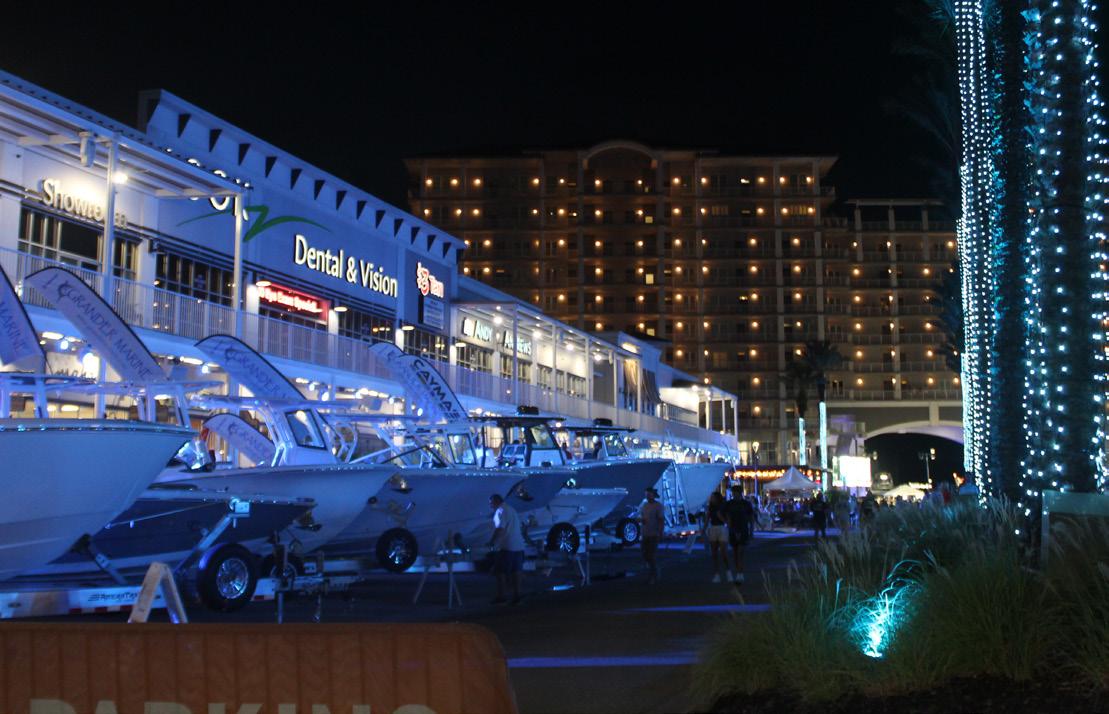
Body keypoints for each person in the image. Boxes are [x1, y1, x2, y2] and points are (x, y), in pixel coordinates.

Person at [488, 494, 525, 605]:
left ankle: (502, 596)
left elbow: (500, 528)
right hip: (519, 545)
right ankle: (517, 595)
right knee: (516, 571)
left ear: (495, 501)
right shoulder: (511, 509)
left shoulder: (500, 511)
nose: (490, 505)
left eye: (490, 503)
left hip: (506, 546)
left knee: (500, 572)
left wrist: (492, 541)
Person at [724, 486, 754, 584]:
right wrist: (728, 525)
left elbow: (751, 518)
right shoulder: (729, 504)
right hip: (733, 530)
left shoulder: (746, 504)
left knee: (740, 552)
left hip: (743, 529)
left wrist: (751, 531)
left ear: (740, 493)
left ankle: (740, 573)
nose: (734, 494)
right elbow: (725, 515)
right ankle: (738, 572)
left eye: (735, 492)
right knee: (735, 552)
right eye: (733, 492)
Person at [639, 487, 665, 584]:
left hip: (654, 533)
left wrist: (661, 532)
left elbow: (661, 520)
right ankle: (654, 571)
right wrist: (641, 521)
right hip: (645, 533)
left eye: (649, 495)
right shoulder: (644, 505)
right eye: (646, 495)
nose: (647, 496)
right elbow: (642, 517)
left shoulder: (658, 506)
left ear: (653, 495)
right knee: (645, 554)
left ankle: (653, 576)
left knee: (651, 555)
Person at [704, 491, 730, 582]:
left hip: (721, 527)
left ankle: (728, 572)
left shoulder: (723, 507)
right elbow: (707, 518)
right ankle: (717, 574)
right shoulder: (710, 508)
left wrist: (721, 517)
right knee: (714, 553)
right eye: (711, 497)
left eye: (713, 497)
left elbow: (727, 520)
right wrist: (703, 530)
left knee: (723, 552)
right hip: (713, 528)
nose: (712, 499)